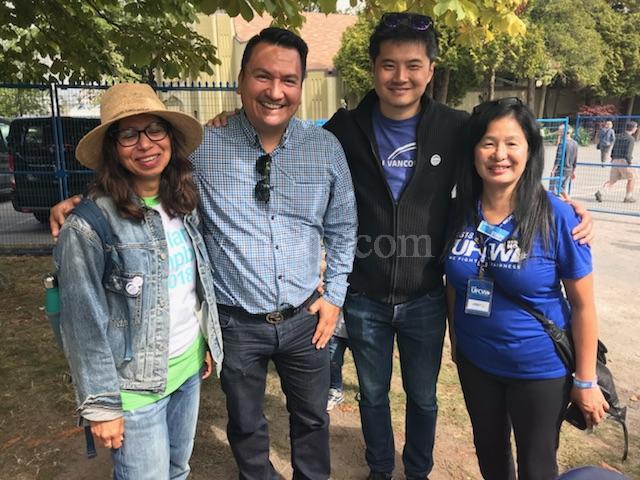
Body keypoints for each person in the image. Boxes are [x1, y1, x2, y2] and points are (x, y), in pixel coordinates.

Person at [206, 15, 593, 479]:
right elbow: (285, 138)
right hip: (365, 296)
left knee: (424, 397)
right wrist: (226, 122)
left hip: (426, 295)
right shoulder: (343, 129)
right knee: (372, 394)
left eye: (413, 65)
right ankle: (379, 469)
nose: (400, 76)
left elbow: (503, 159)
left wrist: (558, 204)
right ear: (373, 68)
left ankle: (417, 471)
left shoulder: (456, 127)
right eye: (389, 65)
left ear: (430, 70)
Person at [52, 28, 357, 480]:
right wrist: (81, 206)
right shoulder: (204, 147)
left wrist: (334, 296)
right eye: (263, 76)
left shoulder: (326, 148)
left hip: (305, 320)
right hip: (235, 322)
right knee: (247, 425)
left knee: (312, 420)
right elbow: (138, 179)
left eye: (289, 80)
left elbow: (344, 227)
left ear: (300, 85)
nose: (275, 91)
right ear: (241, 80)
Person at [54, 83, 224, 480]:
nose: (145, 144)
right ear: (113, 149)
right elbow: (82, 325)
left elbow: (190, 287)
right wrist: (102, 406)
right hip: (134, 388)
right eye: (128, 134)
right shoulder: (89, 226)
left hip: (186, 369)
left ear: (170, 137)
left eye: (154, 129)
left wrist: (204, 342)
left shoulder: (182, 201)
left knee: (178, 470)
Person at [444, 98, 608, 480]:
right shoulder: (458, 211)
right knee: (491, 457)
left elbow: (583, 306)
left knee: (537, 467)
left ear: (530, 150)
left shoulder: (558, 215)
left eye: (511, 143)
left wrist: (586, 380)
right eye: (488, 142)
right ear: (473, 151)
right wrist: (456, 343)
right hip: (476, 364)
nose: (499, 154)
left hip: (539, 370)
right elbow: (454, 283)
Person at [595, 121, 637, 203]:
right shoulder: (631, 139)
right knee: (632, 177)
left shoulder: (618, 137)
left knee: (613, 180)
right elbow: (628, 152)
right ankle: (628, 197)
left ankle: (601, 192)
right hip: (624, 160)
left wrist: (612, 157)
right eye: (636, 127)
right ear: (633, 128)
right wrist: (629, 162)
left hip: (615, 160)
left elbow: (613, 148)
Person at [326, 312, 350, 411]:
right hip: (337, 328)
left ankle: (367, 392)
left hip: (361, 331)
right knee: (332, 361)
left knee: (365, 365)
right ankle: (335, 391)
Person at [550, 124, 578, 194]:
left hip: (561, 169)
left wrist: (553, 169)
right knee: (562, 188)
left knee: (556, 189)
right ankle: (565, 198)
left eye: (560, 132)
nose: (559, 133)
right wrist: (573, 170)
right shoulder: (575, 143)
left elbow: (558, 157)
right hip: (569, 169)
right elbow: (575, 158)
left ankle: (566, 198)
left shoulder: (562, 143)